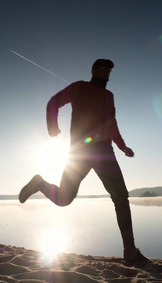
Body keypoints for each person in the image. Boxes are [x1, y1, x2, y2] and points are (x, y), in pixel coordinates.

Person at [19, 59, 148, 263]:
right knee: (64, 199)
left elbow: (111, 123)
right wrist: (52, 125)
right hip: (79, 151)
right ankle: (40, 184)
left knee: (121, 197)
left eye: (109, 69)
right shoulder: (79, 87)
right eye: (102, 68)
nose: (106, 71)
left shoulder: (109, 95)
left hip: (104, 152)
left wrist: (122, 146)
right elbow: (54, 102)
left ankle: (130, 250)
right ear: (94, 70)